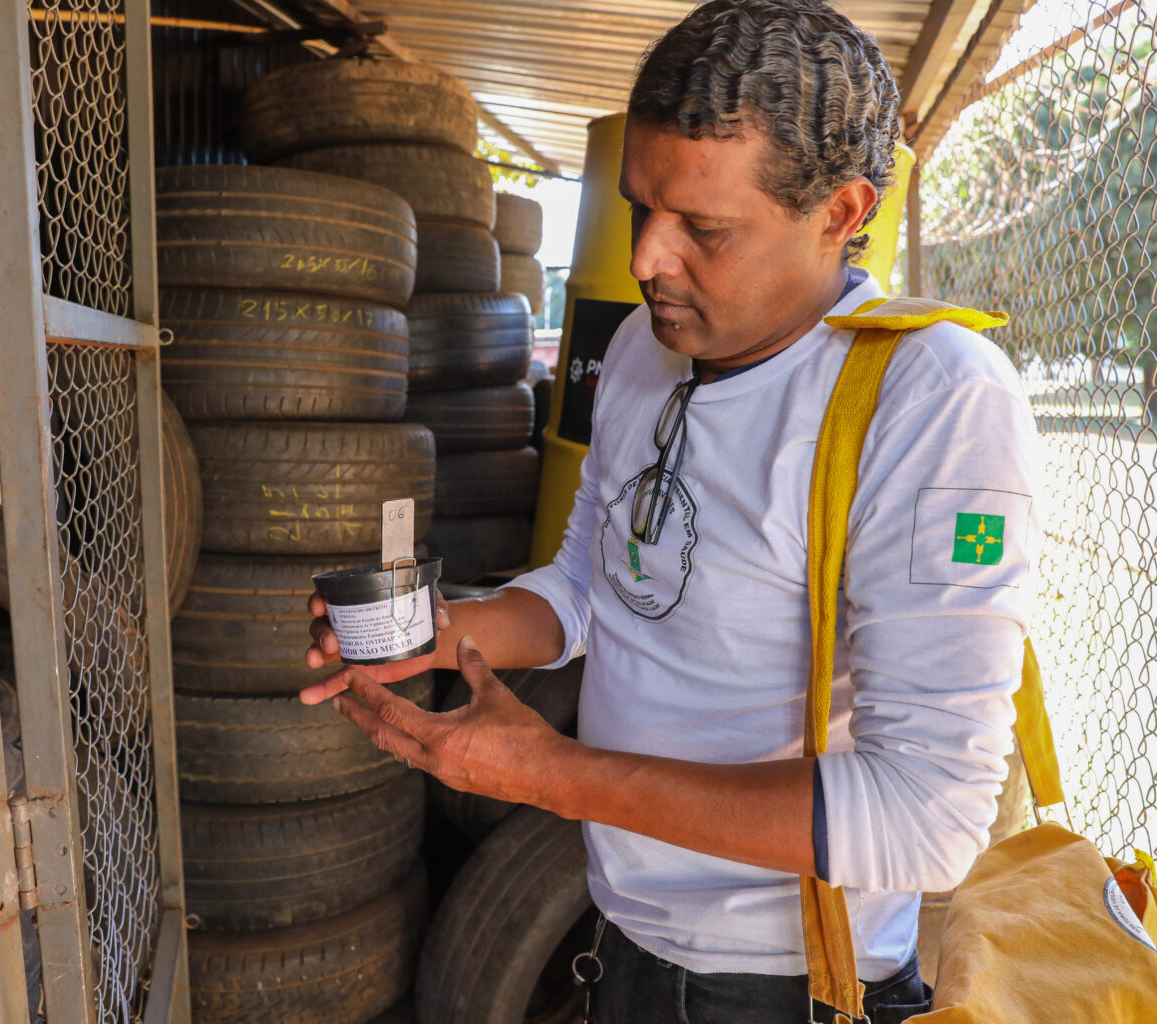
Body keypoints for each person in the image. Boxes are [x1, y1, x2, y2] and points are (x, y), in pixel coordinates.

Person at [302, 1, 1040, 1020]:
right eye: (640, 205)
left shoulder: (932, 397)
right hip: (623, 930)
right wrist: (442, 633)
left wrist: (554, 775)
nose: (648, 258)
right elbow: (595, 583)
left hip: (786, 987)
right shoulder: (652, 351)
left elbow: (928, 817)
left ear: (839, 211)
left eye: (703, 227)